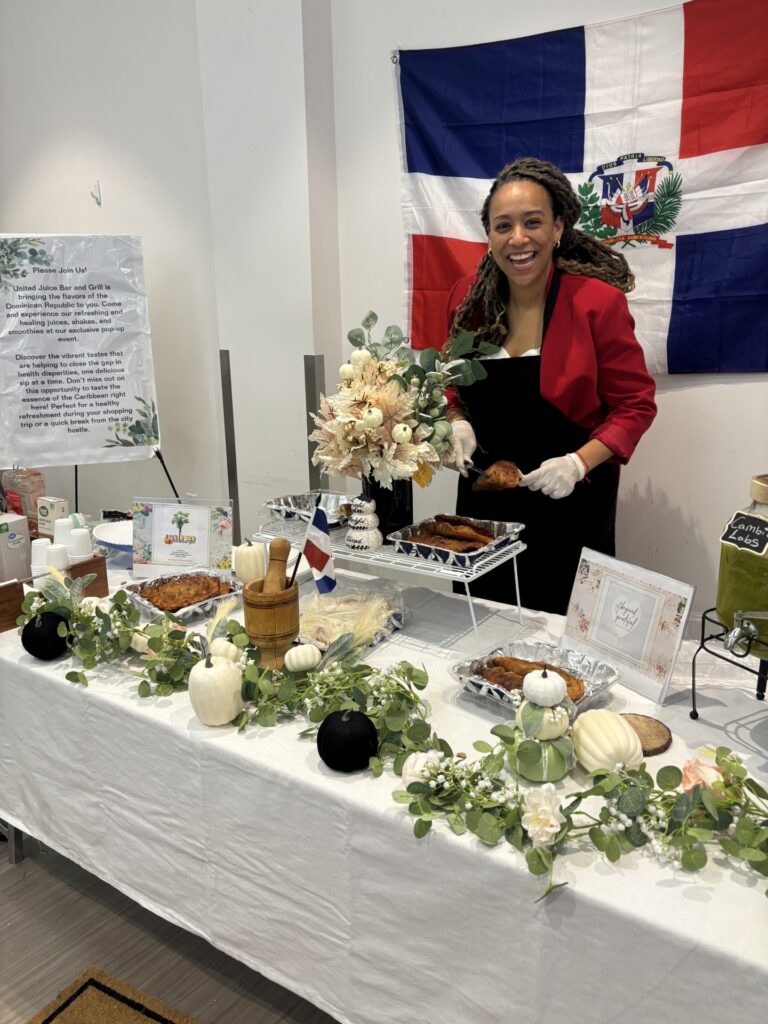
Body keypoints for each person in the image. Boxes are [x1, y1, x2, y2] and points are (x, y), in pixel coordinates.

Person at [444, 157, 657, 615]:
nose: (517, 239)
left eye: (533, 222)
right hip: (484, 513)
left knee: (559, 654)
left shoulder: (597, 303)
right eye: (503, 226)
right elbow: (450, 387)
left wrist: (580, 463)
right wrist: (456, 422)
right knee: (479, 632)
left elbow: (635, 406)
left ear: (558, 227)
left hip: (571, 507)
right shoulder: (467, 300)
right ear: (489, 235)